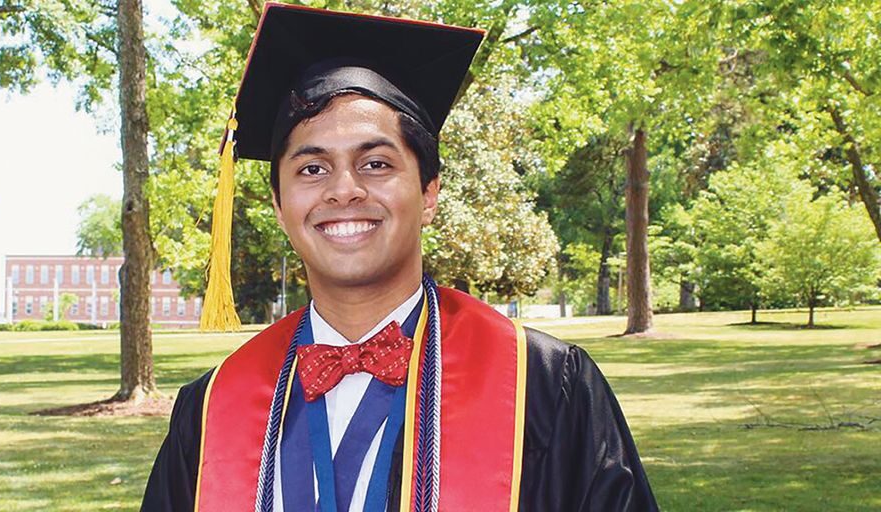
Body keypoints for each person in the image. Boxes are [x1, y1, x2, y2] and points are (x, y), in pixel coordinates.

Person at [141, 3, 658, 511]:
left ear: (429, 193)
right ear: (280, 205)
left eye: (375, 163)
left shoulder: (544, 386)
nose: (343, 190)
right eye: (312, 170)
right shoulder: (214, 407)